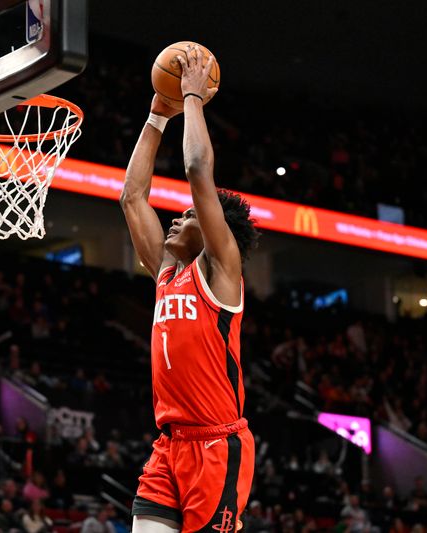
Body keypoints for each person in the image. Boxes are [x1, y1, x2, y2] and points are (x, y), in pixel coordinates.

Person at [120, 44, 258, 533]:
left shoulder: (222, 269)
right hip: (170, 446)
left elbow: (199, 170)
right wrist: (158, 115)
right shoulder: (165, 270)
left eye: (190, 214)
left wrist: (193, 99)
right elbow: (132, 196)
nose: (178, 215)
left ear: (218, 230)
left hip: (216, 448)